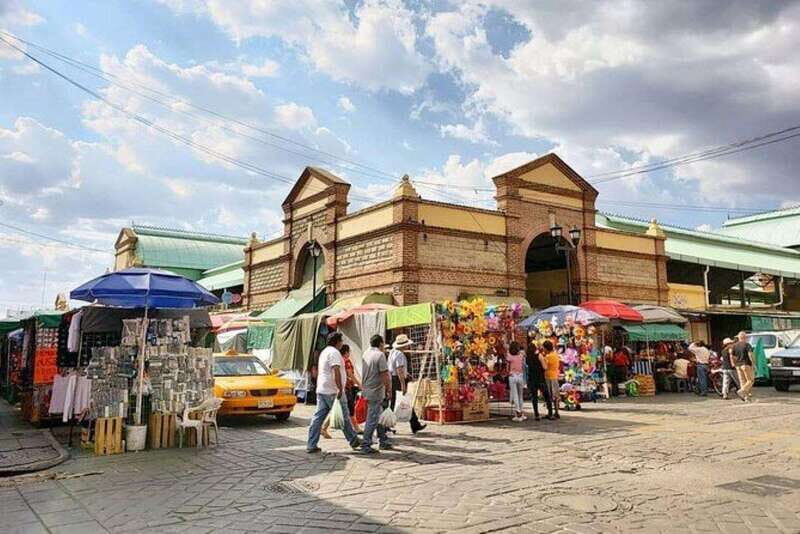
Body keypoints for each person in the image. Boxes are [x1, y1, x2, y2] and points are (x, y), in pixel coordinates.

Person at [306, 332, 361, 453]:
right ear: (337, 342)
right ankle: (354, 440)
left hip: (322, 389)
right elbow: (335, 370)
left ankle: (311, 444)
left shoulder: (325, 351)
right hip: (332, 390)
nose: (342, 343)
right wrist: (340, 388)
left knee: (318, 417)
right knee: (344, 416)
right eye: (341, 341)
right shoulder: (334, 353)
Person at [360, 334, 393, 454]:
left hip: (367, 389)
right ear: (380, 343)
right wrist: (389, 389)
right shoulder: (380, 355)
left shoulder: (366, 353)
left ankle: (383, 440)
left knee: (378, 415)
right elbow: (384, 375)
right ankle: (366, 444)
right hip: (376, 391)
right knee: (372, 418)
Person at [321, 344, 362, 438]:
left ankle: (324, 428)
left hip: (339, 387)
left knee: (338, 408)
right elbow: (350, 374)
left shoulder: (339, 360)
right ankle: (354, 432)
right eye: (349, 352)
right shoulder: (346, 361)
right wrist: (359, 385)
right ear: (346, 352)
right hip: (346, 388)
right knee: (348, 409)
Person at [388, 334, 426, 434]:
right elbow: (399, 370)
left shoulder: (393, 352)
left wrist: (406, 374)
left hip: (393, 378)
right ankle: (387, 425)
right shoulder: (400, 354)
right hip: (397, 380)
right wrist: (403, 385)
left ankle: (414, 424)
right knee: (400, 402)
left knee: (396, 403)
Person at [525, 342, 552, 421]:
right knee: (547, 396)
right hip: (540, 378)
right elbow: (545, 367)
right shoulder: (539, 355)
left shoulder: (527, 357)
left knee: (534, 397)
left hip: (531, 379)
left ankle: (536, 414)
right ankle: (550, 413)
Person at [732, 331, 755, 402]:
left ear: (738, 337)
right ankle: (742, 391)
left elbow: (733, 356)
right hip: (746, 364)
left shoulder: (734, 346)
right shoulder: (747, 345)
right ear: (745, 337)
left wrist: (735, 363)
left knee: (743, 382)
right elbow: (750, 355)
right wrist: (753, 364)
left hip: (738, 365)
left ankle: (746, 398)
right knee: (750, 380)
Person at [506, 342, 526, 422]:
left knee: (515, 395)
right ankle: (521, 412)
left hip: (512, 376)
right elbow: (523, 366)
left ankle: (518, 412)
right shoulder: (521, 356)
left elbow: (507, 367)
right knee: (520, 395)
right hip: (520, 376)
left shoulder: (509, 357)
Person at [543, 340, 560, 420]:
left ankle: (551, 413)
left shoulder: (548, 357)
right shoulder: (555, 354)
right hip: (555, 376)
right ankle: (556, 412)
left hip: (549, 377)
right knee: (555, 395)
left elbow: (544, 366)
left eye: (544, 348)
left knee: (550, 395)